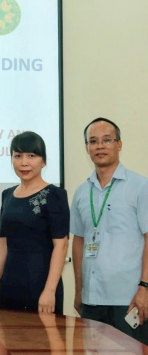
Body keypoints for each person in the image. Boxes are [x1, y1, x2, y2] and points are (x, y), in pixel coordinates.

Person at [71, 117, 148, 344]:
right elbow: (78, 241)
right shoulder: (81, 192)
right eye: (93, 141)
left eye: (107, 140)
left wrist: (145, 288)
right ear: (87, 148)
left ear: (119, 144)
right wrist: (79, 291)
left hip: (129, 299)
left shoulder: (140, 187)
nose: (100, 146)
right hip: (92, 300)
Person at [0, 131, 69, 314]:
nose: (24, 162)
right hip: (10, 284)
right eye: (18, 156)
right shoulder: (7, 195)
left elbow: (61, 245)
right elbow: (2, 243)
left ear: (43, 161)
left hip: (41, 283)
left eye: (31, 156)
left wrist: (49, 291)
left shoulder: (54, 195)